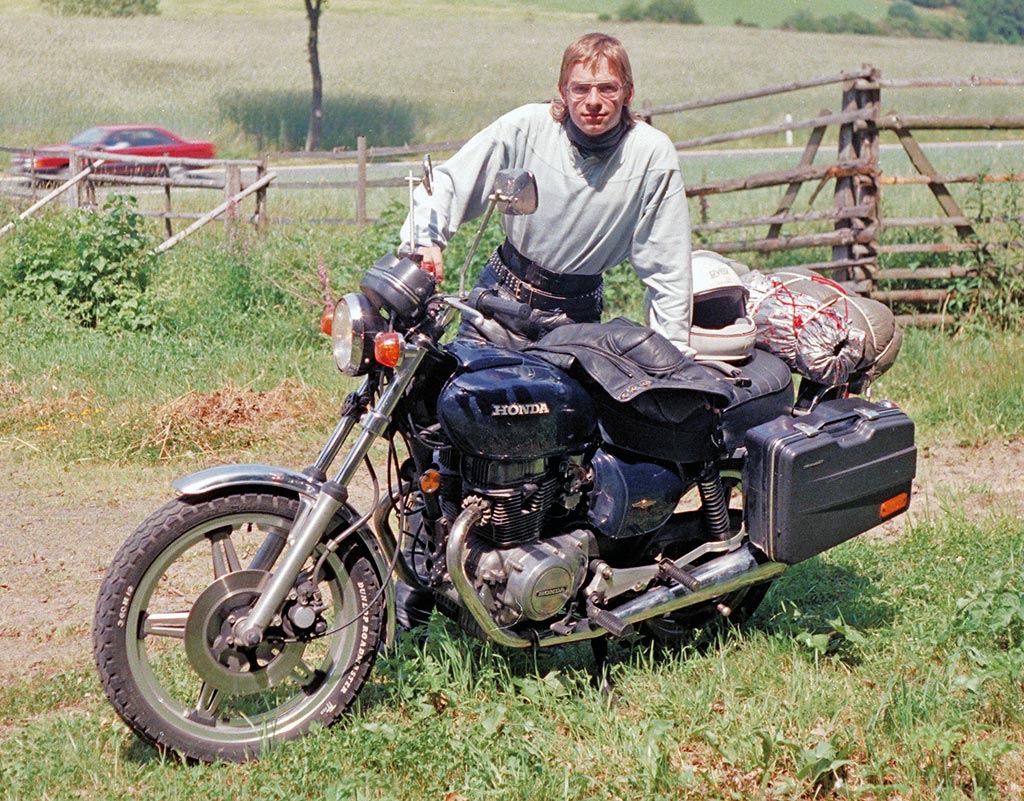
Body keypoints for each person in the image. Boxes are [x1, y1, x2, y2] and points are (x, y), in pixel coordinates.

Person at [401, 31, 695, 356]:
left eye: (608, 88)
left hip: (575, 319)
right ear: (562, 92)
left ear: (628, 92)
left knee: (562, 405)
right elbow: (452, 182)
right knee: (464, 397)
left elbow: (668, 265)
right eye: (581, 89)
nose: (593, 102)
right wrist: (425, 240)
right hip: (497, 303)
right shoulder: (526, 127)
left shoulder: (651, 153)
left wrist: (674, 352)